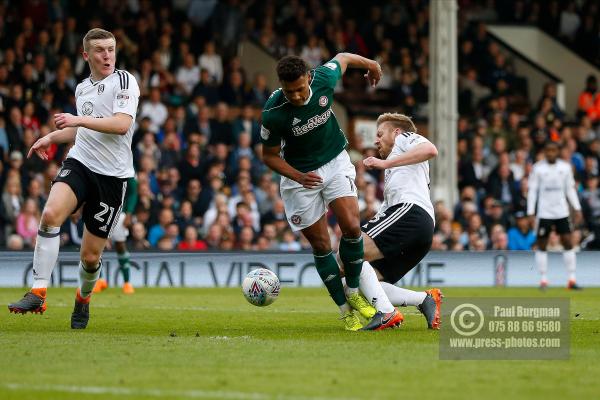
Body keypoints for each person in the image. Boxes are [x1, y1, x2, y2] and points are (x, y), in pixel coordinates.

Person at [8, 28, 140, 330]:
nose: (107, 55)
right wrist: (51, 137)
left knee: (90, 257)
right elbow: (81, 130)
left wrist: (77, 119)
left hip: (112, 176)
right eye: (100, 50)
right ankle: (38, 291)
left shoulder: (124, 81)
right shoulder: (83, 89)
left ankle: (83, 298)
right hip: (81, 162)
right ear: (86, 55)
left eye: (111, 49)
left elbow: (121, 125)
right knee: (51, 213)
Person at [260, 54, 400, 331]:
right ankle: (344, 310)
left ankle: (353, 292)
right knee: (322, 246)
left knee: (351, 228)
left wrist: (372, 65)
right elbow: (269, 156)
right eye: (290, 92)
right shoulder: (273, 113)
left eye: (300, 89)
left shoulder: (324, 78)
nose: (297, 96)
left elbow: (344, 58)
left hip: (335, 162)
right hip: (300, 178)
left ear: (309, 78)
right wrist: (298, 176)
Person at [356, 113, 443, 330]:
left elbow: (431, 150)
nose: (376, 140)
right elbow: (387, 208)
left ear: (396, 132)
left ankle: (385, 313)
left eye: (379, 134)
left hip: (411, 214)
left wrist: (386, 163)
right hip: (419, 227)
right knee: (364, 283)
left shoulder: (405, 138)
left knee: (349, 253)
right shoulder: (397, 168)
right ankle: (424, 299)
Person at [528, 140, 583, 289]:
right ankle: (543, 280)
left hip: (561, 211)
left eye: (553, 150)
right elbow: (532, 190)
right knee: (542, 244)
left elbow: (570, 189)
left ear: (557, 152)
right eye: (548, 150)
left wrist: (577, 208)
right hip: (544, 212)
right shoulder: (538, 168)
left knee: (567, 242)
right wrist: (530, 212)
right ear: (545, 152)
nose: (551, 153)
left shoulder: (565, 168)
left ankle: (571, 279)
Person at [94, 176, 138, 294]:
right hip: (101, 209)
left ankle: (127, 282)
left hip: (120, 212)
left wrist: (129, 213)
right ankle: (99, 280)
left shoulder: (127, 164)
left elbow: (133, 191)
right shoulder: (101, 164)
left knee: (120, 245)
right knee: (97, 245)